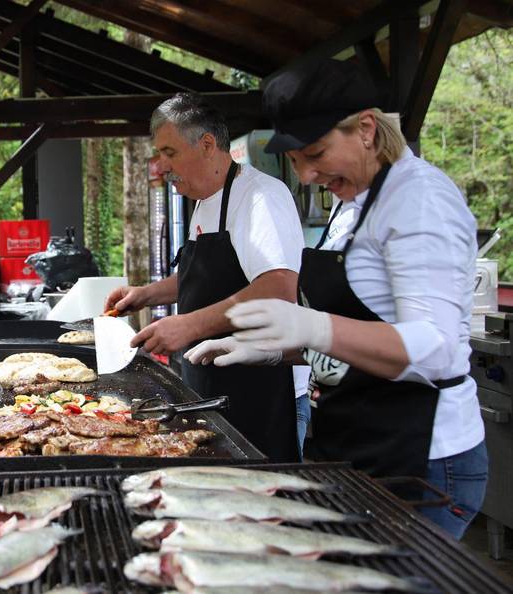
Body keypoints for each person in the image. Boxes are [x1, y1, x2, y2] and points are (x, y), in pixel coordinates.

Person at [185, 59, 487, 539]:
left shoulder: (418, 200)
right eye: (296, 159)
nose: (305, 175)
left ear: (367, 128)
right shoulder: (351, 206)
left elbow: (437, 349)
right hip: (351, 442)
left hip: (418, 457)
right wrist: (274, 350)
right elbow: (357, 333)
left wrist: (313, 327)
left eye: (317, 153)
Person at [105, 93, 305, 463]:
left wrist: (190, 325)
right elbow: (203, 277)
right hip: (211, 386)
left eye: (170, 152)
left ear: (207, 144)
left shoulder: (259, 198)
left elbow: (278, 289)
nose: (161, 166)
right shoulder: (205, 200)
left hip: (259, 396)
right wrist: (147, 294)